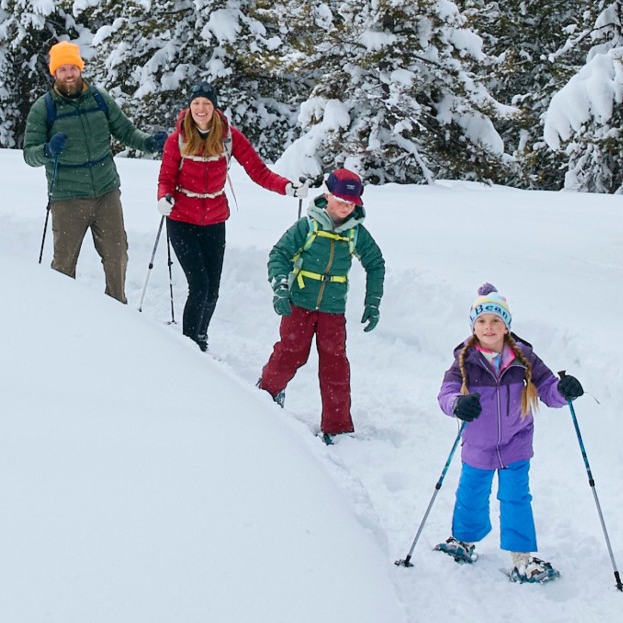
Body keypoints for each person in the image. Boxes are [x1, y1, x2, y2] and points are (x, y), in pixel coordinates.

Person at [432, 283, 586, 584]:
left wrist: (564, 392)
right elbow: (446, 393)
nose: (488, 327)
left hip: (516, 443)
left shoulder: (524, 358)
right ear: (473, 326)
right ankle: (463, 540)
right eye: (482, 321)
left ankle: (521, 557)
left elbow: (548, 388)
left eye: (495, 321)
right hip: (478, 443)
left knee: (516, 498)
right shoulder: (465, 360)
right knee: (471, 495)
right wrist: (457, 404)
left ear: (506, 326)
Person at [156, 81, 304, 350]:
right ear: (189, 107)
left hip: (214, 220)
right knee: (199, 285)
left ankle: (200, 339)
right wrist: (164, 198)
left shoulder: (229, 137)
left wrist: (287, 187)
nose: (201, 109)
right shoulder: (177, 138)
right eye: (196, 104)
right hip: (180, 220)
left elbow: (258, 171)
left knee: (212, 289)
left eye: (206, 104)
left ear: (215, 108)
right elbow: (166, 177)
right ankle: (188, 346)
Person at [23, 41, 168, 304]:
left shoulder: (99, 99)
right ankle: (63, 310)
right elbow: (29, 154)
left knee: (117, 255)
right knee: (64, 265)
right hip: (67, 197)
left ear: (81, 69)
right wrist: (47, 149)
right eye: (63, 69)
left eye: (73, 68)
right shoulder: (44, 109)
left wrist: (148, 143)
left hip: (105, 192)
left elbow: (125, 130)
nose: (69, 74)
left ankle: (116, 308)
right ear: (54, 73)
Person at [254, 169, 385, 443]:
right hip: (299, 304)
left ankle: (336, 427)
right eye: (340, 200)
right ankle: (265, 396)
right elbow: (280, 254)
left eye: (351, 203)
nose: (345, 207)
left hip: (333, 310)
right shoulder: (308, 226)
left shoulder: (356, 233)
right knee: (291, 354)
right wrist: (280, 288)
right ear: (327, 195)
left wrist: (372, 302)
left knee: (335, 365)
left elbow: (375, 264)